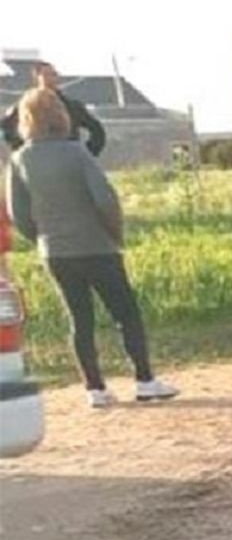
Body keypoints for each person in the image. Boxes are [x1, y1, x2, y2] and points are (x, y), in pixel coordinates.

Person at [5, 89, 175, 408]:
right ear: (60, 115)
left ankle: (95, 388)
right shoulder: (76, 152)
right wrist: (115, 233)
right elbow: (104, 199)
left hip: (55, 251)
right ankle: (144, 380)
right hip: (96, 244)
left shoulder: (19, 160)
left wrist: (41, 237)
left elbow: (18, 213)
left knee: (79, 319)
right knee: (125, 313)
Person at [2, 61, 107, 156]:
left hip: (67, 158)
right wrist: (20, 149)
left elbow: (96, 129)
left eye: (54, 75)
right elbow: (6, 127)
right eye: (47, 75)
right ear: (37, 78)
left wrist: (87, 152)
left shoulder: (71, 106)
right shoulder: (26, 106)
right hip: (37, 160)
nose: (52, 79)